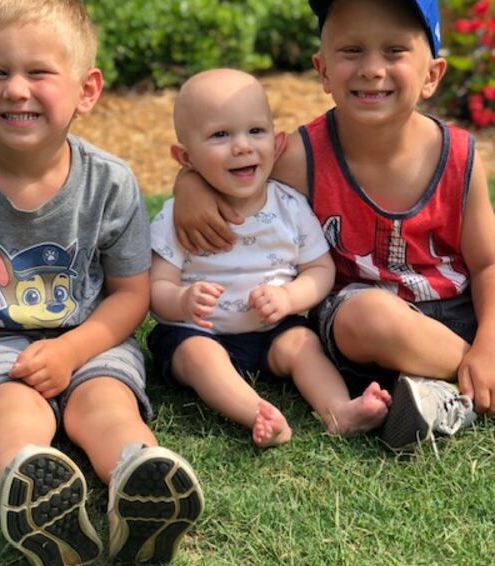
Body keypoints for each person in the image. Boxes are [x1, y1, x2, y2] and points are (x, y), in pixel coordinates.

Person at [0, 0, 203, 566]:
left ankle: (140, 481)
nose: (15, 90)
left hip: (92, 338)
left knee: (107, 407)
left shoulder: (110, 184)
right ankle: (29, 488)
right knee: (12, 415)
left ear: (87, 90)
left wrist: (71, 351)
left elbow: (130, 296)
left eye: (38, 72)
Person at [171, 0, 495, 452]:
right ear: (322, 70)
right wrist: (188, 186)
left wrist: (488, 341)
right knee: (369, 316)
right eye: (350, 49)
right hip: (359, 323)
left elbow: (488, 263)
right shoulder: (302, 157)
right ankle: (468, 374)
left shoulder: (459, 157)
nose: (371, 68)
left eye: (394, 50)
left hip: (454, 312)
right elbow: (235, 176)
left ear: (432, 74)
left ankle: (442, 393)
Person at [148, 68, 393, 448]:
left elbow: (319, 269)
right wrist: (181, 300)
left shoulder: (290, 207)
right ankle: (258, 413)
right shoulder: (177, 216)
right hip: (199, 331)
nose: (242, 146)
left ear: (277, 144)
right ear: (186, 157)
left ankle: (339, 410)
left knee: (302, 344)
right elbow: (157, 286)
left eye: (255, 131)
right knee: (198, 356)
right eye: (220, 135)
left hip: (272, 330)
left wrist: (289, 298)